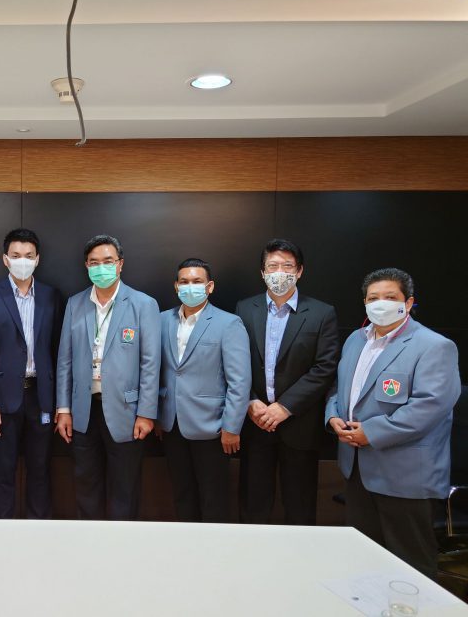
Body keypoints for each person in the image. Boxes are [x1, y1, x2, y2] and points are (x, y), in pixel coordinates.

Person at [326, 268, 460, 578]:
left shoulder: (433, 345)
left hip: (405, 476)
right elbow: (339, 389)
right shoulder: (355, 340)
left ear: (408, 302)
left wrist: (371, 433)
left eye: (390, 297)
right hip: (357, 471)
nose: (381, 304)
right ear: (365, 303)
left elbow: (430, 406)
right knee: (363, 560)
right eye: (373, 298)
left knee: (410, 568)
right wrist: (332, 416)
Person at [55, 234, 160, 520]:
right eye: (94, 262)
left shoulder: (143, 304)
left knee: (124, 487)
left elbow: (151, 363)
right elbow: (64, 360)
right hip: (83, 410)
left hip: (127, 410)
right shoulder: (75, 304)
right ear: (86, 266)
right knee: (85, 483)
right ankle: (90, 540)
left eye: (108, 261)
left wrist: (146, 413)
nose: (101, 267)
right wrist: (63, 409)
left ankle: (121, 542)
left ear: (120, 264)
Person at [235, 238, 339, 525]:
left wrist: (285, 407)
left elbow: (325, 367)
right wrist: (250, 401)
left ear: (300, 271)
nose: (279, 272)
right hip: (255, 422)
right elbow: (235, 362)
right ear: (262, 272)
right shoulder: (245, 309)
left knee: (300, 505)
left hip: (299, 424)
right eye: (273, 266)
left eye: (287, 266)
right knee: (253, 503)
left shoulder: (322, 313)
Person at [0, 228, 62, 519]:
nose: (22, 260)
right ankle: (2, 532)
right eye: (16, 255)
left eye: (28, 255)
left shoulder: (51, 296)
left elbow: (58, 351)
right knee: (3, 471)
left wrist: (60, 403)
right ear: (5, 259)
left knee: (40, 470)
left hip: (41, 396)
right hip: (2, 400)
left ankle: (39, 530)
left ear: (37, 259)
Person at [157, 258, 251, 522]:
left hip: (213, 427)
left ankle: (214, 546)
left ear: (210, 287)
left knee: (214, 499)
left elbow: (239, 381)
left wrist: (232, 426)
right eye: (184, 281)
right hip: (172, 424)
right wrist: (157, 415)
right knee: (182, 495)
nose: (190, 286)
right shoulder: (162, 320)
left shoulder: (229, 323)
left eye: (197, 281)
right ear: (176, 286)